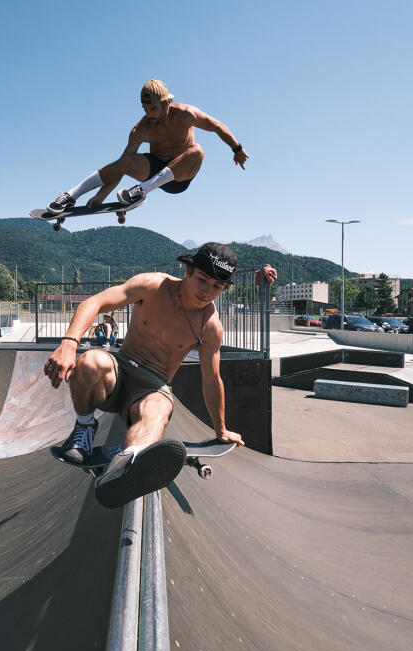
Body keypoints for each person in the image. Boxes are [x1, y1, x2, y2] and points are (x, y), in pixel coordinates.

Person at [43, 243, 277, 507]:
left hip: (152, 388)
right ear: (187, 271)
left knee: (157, 410)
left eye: (216, 287)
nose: (207, 292)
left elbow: (212, 379)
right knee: (90, 362)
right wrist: (69, 343)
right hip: (118, 371)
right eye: (202, 280)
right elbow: (95, 302)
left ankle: (126, 465)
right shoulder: (152, 286)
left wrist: (221, 429)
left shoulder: (210, 326)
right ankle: (84, 429)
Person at [46, 80, 249, 214]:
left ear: (167, 103)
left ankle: (140, 191)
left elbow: (218, 127)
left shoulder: (186, 114)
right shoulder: (140, 129)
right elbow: (121, 166)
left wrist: (237, 149)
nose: (149, 114)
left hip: (180, 178)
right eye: (144, 109)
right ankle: (71, 195)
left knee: (198, 151)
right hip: (155, 171)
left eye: (153, 108)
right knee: (126, 160)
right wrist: (102, 195)